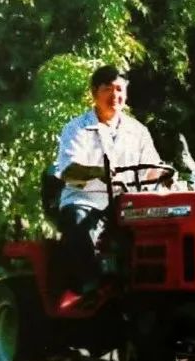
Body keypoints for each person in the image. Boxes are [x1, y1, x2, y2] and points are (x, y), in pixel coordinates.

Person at [54, 64, 163, 307]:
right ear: (94, 93)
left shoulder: (138, 131)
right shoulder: (77, 128)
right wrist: (98, 172)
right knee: (78, 222)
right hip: (87, 199)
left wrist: (166, 176)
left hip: (128, 203)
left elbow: (151, 169)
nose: (115, 96)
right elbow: (69, 170)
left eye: (119, 89)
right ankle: (90, 287)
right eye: (107, 89)